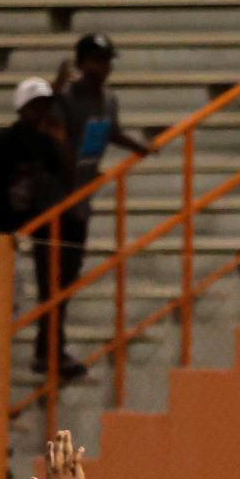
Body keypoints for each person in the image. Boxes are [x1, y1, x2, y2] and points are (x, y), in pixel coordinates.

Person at [0, 78, 77, 378]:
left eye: (45, 105)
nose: (41, 112)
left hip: (31, 224)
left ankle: (48, 348)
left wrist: (60, 140)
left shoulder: (44, 142)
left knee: (49, 285)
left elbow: (68, 178)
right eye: (34, 106)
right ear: (21, 109)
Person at [49, 33, 150, 337]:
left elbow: (110, 131)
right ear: (81, 63)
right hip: (57, 198)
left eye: (106, 61)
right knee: (55, 277)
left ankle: (53, 342)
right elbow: (52, 133)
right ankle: (50, 344)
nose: (102, 68)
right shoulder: (66, 98)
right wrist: (54, 89)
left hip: (81, 197)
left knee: (70, 273)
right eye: (95, 61)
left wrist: (138, 146)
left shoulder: (108, 100)